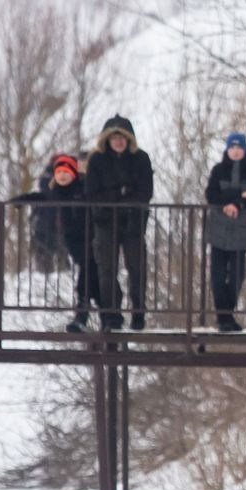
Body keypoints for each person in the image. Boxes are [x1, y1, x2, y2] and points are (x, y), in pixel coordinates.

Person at [82, 114, 154, 330]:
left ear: (129, 139)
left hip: (134, 222)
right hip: (105, 222)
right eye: (113, 137)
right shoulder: (96, 160)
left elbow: (145, 192)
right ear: (107, 140)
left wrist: (117, 197)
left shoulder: (141, 158)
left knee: (137, 269)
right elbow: (92, 193)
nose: (118, 141)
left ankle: (138, 313)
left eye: (122, 137)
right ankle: (111, 314)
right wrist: (121, 194)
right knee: (106, 270)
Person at [12, 152, 95, 330]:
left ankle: (84, 315)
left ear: (74, 174)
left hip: (90, 236)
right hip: (73, 240)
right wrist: (21, 199)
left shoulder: (83, 187)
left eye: (66, 172)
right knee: (89, 272)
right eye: (59, 173)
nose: (62, 176)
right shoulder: (56, 192)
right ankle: (91, 314)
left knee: (89, 273)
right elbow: (40, 197)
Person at [203, 131, 246, 333]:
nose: (236, 151)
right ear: (227, 149)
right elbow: (212, 195)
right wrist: (237, 196)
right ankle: (224, 317)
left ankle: (226, 314)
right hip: (219, 230)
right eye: (232, 147)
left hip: (242, 230)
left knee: (237, 276)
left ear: (245, 149)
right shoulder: (218, 170)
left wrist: (236, 204)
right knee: (218, 276)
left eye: (239, 147)